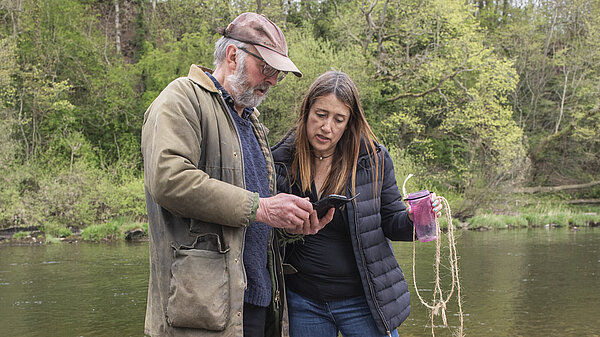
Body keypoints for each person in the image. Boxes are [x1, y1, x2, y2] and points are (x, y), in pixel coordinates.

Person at [141, 12, 333, 337]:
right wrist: (263, 208)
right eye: (267, 69)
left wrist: (291, 225)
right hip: (201, 312)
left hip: (255, 305)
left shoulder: (252, 123)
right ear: (233, 56)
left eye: (278, 74)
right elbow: (168, 179)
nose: (272, 80)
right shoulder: (181, 99)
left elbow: (255, 222)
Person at [271, 71, 443, 337]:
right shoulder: (280, 160)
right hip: (303, 300)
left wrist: (414, 218)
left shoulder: (373, 160)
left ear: (350, 122)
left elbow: (392, 223)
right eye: (320, 114)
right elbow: (267, 230)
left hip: (364, 301)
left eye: (338, 119)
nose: (327, 127)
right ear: (306, 111)